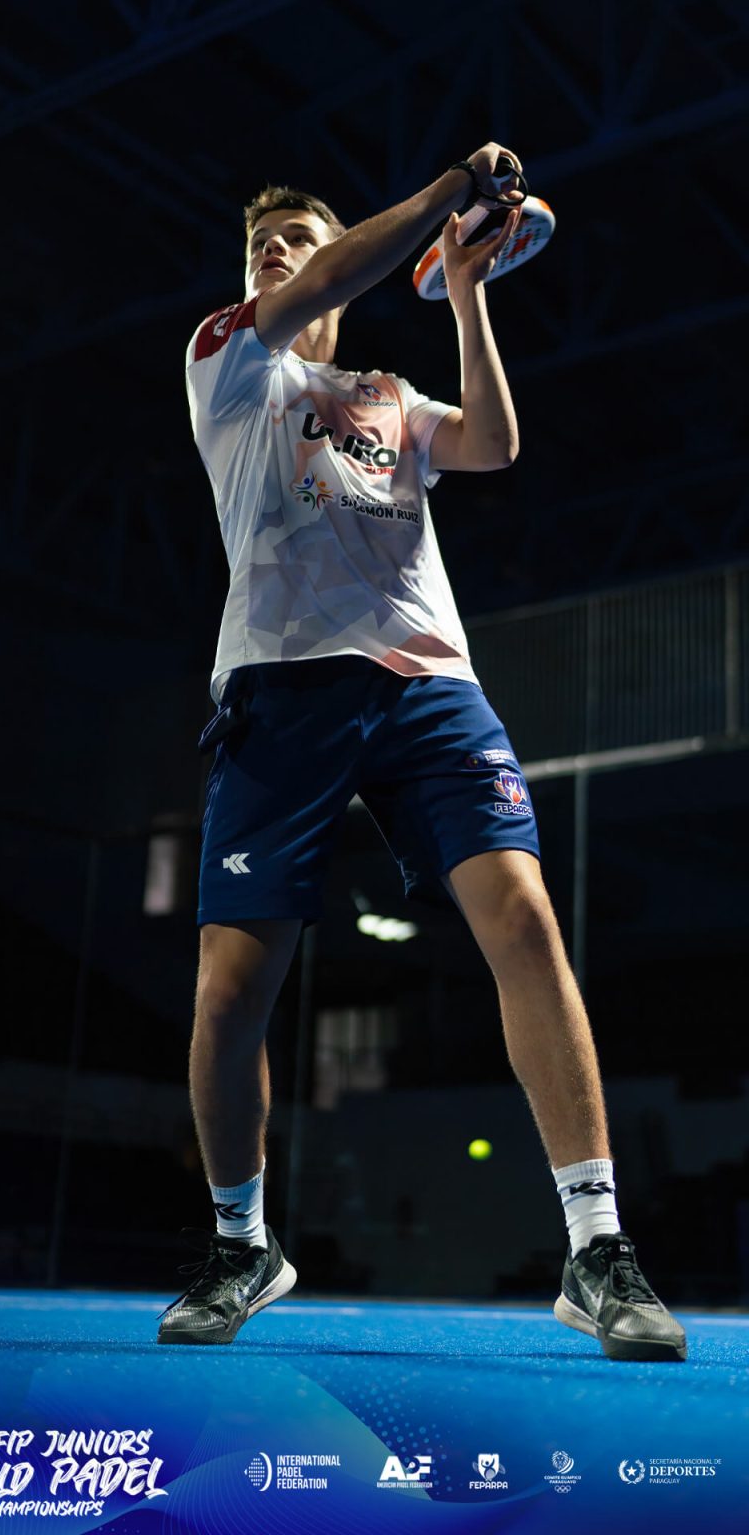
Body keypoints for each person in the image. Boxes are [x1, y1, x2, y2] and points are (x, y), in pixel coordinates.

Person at [157, 144, 686, 1362]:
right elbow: (326, 278)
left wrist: (466, 290)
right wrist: (448, 195)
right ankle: (242, 1246)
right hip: (282, 694)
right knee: (231, 994)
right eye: (262, 247)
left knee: (526, 922)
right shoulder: (227, 364)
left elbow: (494, 444)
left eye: (297, 241)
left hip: (428, 686)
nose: (278, 256)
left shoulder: (388, 397)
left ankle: (597, 1248)